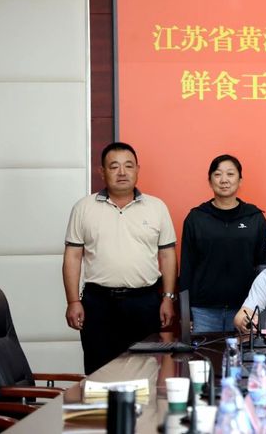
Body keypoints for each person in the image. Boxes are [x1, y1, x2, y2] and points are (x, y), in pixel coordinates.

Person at [63, 142, 177, 374]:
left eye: (129, 166)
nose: (122, 172)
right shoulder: (83, 208)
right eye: (114, 166)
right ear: (102, 172)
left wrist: (167, 297)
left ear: (137, 169)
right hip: (98, 304)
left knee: (146, 372)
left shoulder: (156, 207)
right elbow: (73, 257)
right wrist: (73, 301)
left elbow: (167, 255)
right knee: (99, 374)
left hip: (144, 302)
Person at [178, 154, 266, 333]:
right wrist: (185, 312)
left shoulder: (254, 218)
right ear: (210, 180)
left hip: (245, 309)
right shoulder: (196, 218)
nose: (224, 180)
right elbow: (187, 267)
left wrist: (261, 309)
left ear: (240, 180)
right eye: (218, 174)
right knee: (204, 352)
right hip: (204, 310)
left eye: (230, 174)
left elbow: (263, 267)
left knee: (244, 352)